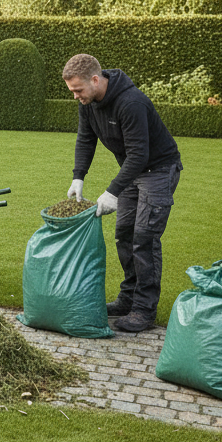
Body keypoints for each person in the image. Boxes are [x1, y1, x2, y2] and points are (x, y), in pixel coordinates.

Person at [63, 53, 182, 333]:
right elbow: (86, 138)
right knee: (124, 235)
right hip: (132, 170)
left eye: (78, 90)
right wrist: (78, 176)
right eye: (72, 91)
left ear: (95, 79)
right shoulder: (88, 103)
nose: (76, 96)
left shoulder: (131, 102)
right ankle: (128, 299)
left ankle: (144, 310)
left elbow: (140, 154)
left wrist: (112, 191)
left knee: (145, 237)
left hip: (159, 170)